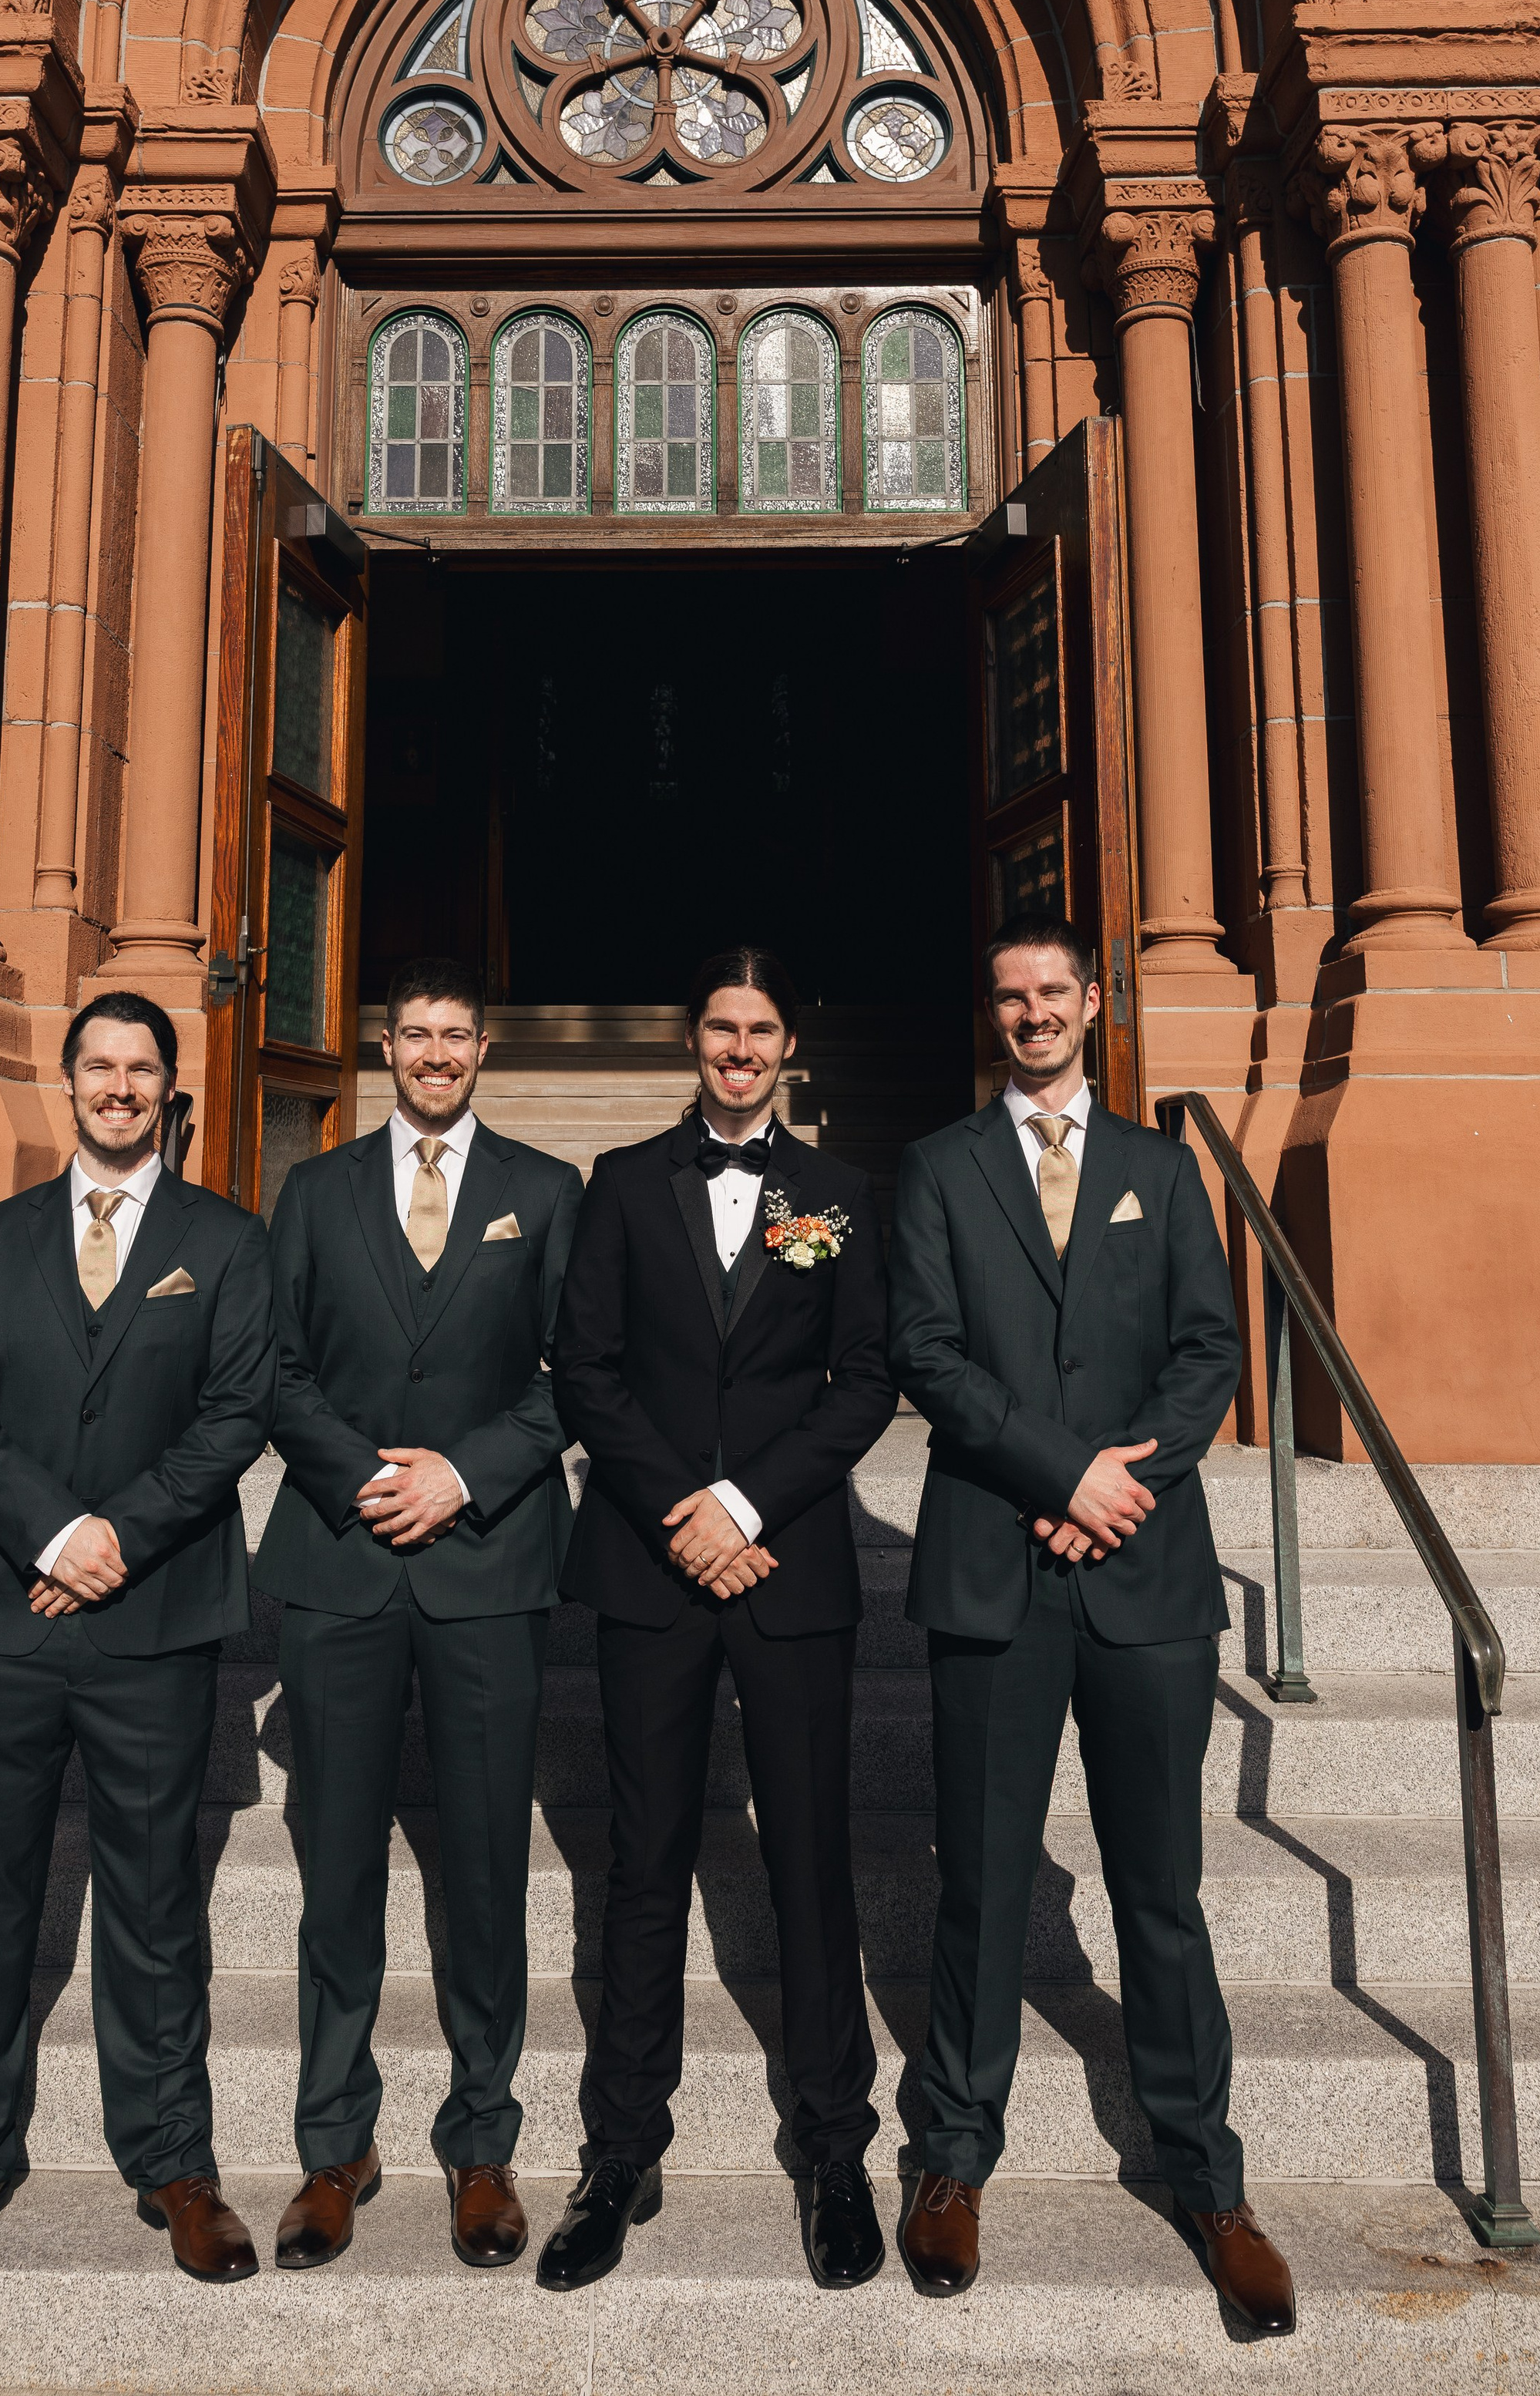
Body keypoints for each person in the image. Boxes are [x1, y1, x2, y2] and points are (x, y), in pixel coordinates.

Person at [886, 918, 1296, 2334]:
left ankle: (1207, 2179)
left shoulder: (1160, 1168)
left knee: (1160, 1890)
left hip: (1145, 1574)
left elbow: (1209, 1347)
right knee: (981, 1881)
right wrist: (1060, 1474)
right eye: (1010, 996)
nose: (1033, 1013)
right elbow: (924, 1350)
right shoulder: (938, 1168)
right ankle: (952, 2154)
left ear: (1090, 1002)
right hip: (994, 1570)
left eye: (1052, 991)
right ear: (992, 1013)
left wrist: (1127, 1480)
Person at [0, 992, 277, 2292]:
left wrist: (119, 1540)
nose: (119, 1086)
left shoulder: (226, 1241)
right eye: (99, 1065)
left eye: (141, 1067)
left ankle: (174, 2162)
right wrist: (54, 1537)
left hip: (155, 1621)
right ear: (68, 1080)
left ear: (169, 1087)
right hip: (6, 1616)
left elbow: (235, 1414)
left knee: (155, 1903)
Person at [539, 947, 896, 2294]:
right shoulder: (624, 1182)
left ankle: (836, 2150)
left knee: (809, 1857)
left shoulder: (839, 1195)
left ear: (789, 1045)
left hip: (788, 1565)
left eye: (761, 1029)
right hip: (650, 1563)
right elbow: (587, 1368)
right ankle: (620, 2152)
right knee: (643, 1862)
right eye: (719, 1027)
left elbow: (865, 1381)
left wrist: (745, 1507)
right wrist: (683, 1509)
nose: (740, 1048)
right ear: (691, 1040)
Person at [253, 957, 583, 2273]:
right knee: (336, 1870)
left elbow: (577, 1375)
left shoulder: (544, 1193)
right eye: (414, 1035)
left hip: (488, 1565)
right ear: (383, 1048)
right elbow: (273, 1366)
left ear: (485, 1049)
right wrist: (364, 1476)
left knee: (487, 1866)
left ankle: (482, 2142)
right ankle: (335, 2144)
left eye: (456, 1036)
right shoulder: (316, 1189)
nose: (436, 1054)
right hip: (341, 1561)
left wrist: (465, 1475)